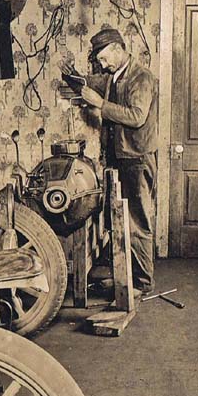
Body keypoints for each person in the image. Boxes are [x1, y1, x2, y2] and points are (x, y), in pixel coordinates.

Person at [62, 29, 158, 293]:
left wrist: (101, 105)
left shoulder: (142, 77)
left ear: (118, 48)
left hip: (137, 160)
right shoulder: (113, 77)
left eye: (104, 59)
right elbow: (88, 84)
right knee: (117, 219)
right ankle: (123, 276)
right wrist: (71, 76)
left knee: (137, 222)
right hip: (119, 157)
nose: (102, 66)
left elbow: (137, 116)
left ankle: (142, 282)